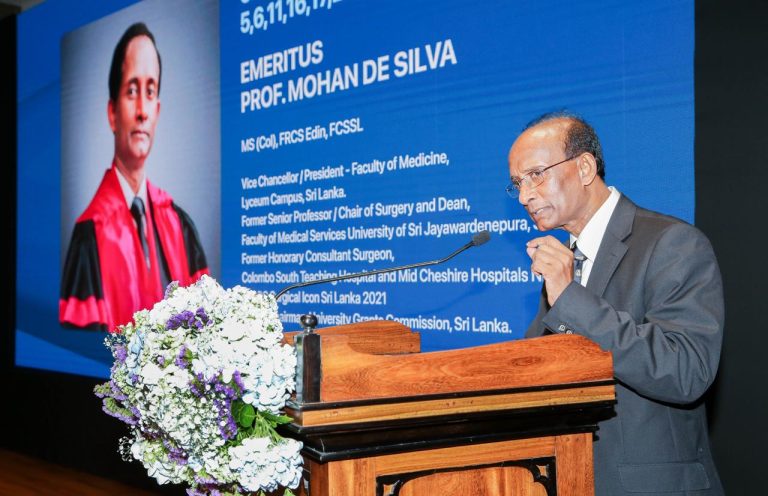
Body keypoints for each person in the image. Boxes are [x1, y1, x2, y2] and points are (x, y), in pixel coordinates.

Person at [507, 112, 724, 495]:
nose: (525, 196)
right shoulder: (565, 261)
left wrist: (570, 297)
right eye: (517, 184)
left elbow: (687, 371)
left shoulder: (672, 243)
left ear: (585, 167)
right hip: (573, 477)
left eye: (536, 175)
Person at [60, 22, 208, 332]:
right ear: (112, 112)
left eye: (150, 91)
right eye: (131, 91)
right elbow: (80, 348)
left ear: (158, 110)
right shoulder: (89, 236)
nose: (142, 111)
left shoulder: (180, 225)